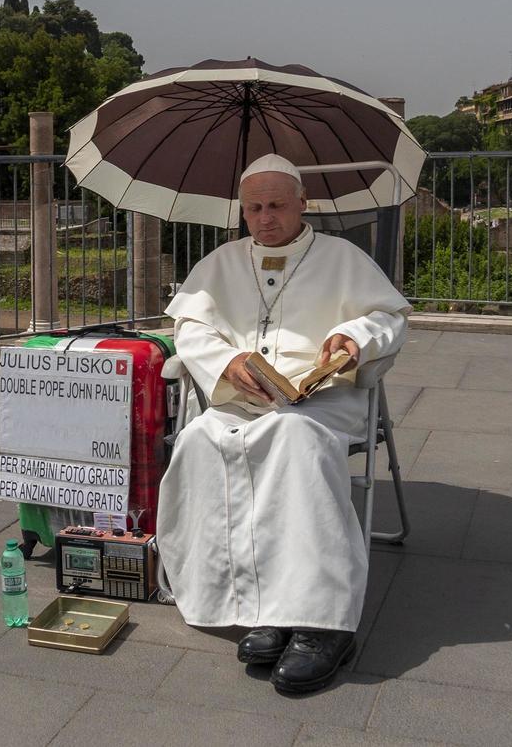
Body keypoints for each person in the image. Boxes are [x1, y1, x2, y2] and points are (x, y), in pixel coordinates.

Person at [157, 153, 410, 694]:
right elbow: (191, 327)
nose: (265, 217)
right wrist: (225, 364)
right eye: (253, 208)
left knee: (293, 438)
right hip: (243, 399)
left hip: (320, 398)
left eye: (276, 205)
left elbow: (387, 317)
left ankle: (322, 623)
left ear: (302, 204)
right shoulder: (221, 263)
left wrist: (353, 341)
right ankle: (261, 602)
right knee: (200, 438)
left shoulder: (343, 257)